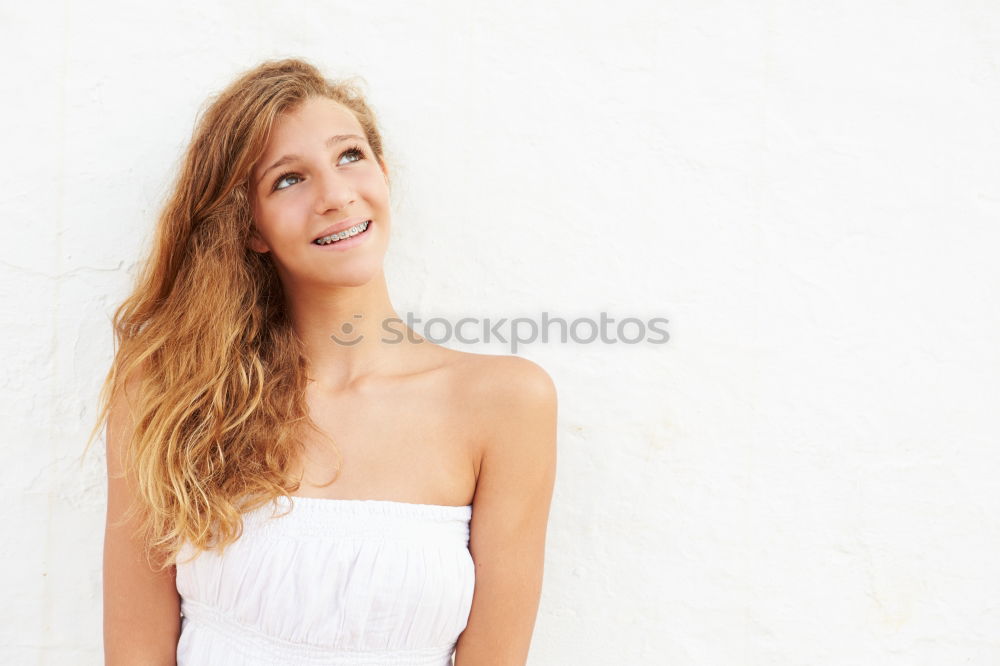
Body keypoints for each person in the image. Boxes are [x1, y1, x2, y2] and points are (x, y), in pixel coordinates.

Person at [88, 57, 558, 665]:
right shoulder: (169, 392)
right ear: (250, 226)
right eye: (288, 179)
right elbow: (135, 654)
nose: (336, 196)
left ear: (383, 175)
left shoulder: (505, 403)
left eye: (350, 156)